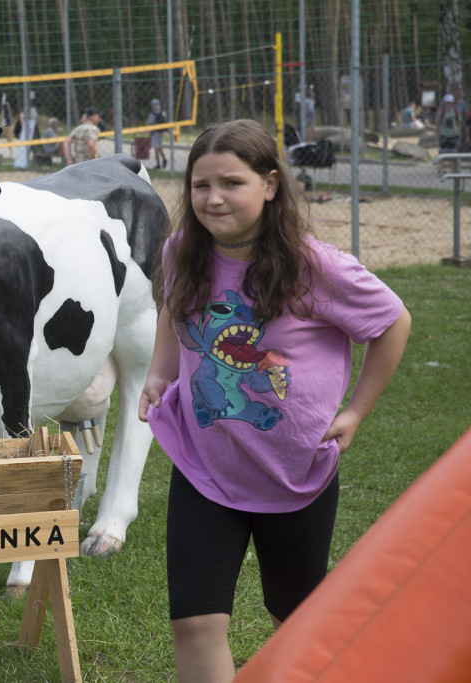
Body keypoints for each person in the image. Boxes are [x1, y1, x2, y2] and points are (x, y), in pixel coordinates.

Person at [137, 119, 410, 683]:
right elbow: (173, 302)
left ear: (269, 184)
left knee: (297, 617)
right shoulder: (182, 249)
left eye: (231, 183)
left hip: (294, 473)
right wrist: (161, 372)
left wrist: (356, 411)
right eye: (200, 184)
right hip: (204, 463)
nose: (212, 198)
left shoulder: (317, 266)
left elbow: (392, 322)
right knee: (194, 623)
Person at [436, 94, 460, 175]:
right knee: (443, 153)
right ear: (444, 103)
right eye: (447, 102)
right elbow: (437, 122)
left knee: (452, 154)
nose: (448, 104)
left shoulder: (455, 111)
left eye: (450, 102)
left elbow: (458, 122)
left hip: (453, 135)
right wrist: (439, 132)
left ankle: (452, 170)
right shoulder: (442, 112)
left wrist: (458, 131)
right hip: (444, 135)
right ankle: (441, 170)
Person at [147, 99, 168, 170]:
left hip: (155, 133)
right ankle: (164, 159)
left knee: (156, 148)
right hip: (161, 133)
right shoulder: (163, 113)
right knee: (159, 147)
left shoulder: (152, 115)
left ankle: (158, 164)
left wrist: (150, 133)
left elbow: (150, 124)